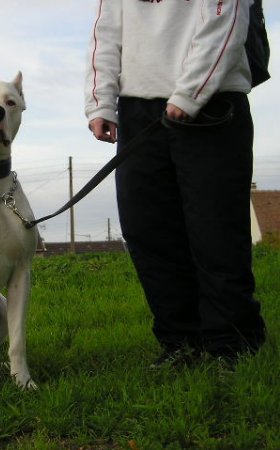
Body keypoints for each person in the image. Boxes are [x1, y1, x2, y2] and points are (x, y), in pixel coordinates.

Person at [84, 0, 266, 367]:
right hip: (138, 108)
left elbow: (225, 20)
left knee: (215, 229)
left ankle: (232, 343)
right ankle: (181, 340)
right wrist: (100, 103)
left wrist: (190, 92)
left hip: (212, 103)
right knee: (147, 229)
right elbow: (106, 34)